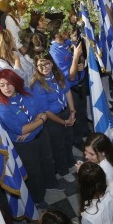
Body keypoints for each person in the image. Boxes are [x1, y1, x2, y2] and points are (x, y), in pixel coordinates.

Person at [0, 69, 58, 209]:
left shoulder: (27, 93)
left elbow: (42, 111)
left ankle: (51, 183)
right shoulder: (2, 108)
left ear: (16, 82)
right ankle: (38, 199)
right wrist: (40, 121)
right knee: (34, 171)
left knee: (47, 161)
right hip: (25, 145)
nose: (6, 88)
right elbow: (21, 130)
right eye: (2, 85)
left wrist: (33, 126)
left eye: (9, 83)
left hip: (42, 135)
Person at [30, 53, 76, 181]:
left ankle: (70, 163)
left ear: (51, 63)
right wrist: (64, 122)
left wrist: (72, 111)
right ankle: (63, 170)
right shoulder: (38, 84)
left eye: (46, 63)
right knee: (58, 146)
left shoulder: (57, 75)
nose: (44, 67)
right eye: (40, 65)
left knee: (68, 140)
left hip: (66, 113)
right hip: (53, 119)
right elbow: (46, 111)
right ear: (36, 67)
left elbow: (67, 91)